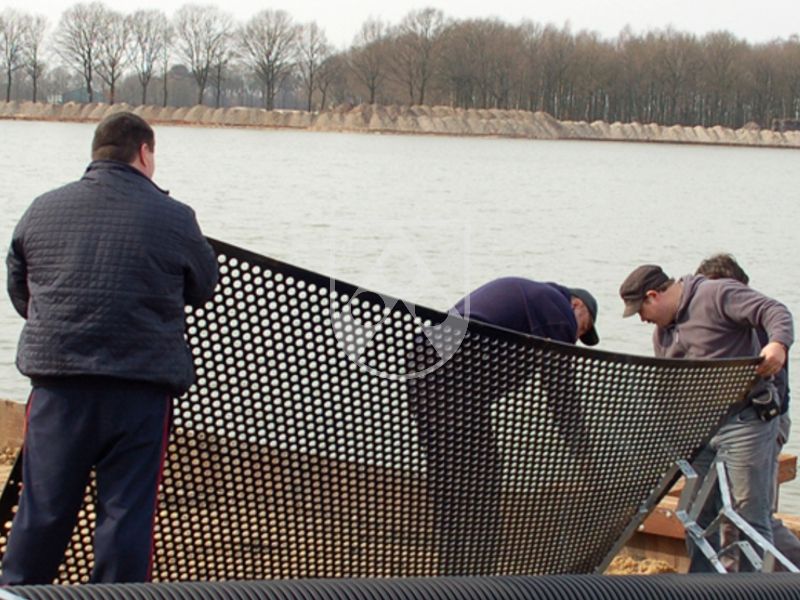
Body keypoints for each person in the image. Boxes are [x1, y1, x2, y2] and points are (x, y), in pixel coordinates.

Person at [1, 112, 219, 584]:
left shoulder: (43, 208)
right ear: (144, 152)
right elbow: (203, 286)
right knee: (126, 516)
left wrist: (60, 324)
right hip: (140, 391)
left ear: (96, 153)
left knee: (42, 510)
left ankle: (16, 592)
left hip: (58, 387)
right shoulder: (175, 217)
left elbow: (20, 288)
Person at [410, 277, 599, 574]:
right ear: (577, 305)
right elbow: (562, 395)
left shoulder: (532, 299)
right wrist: (588, 457)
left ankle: (455, 569)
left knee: (451, 476)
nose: (575, 336)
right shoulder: (557, 307)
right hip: (452, 376)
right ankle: (474, 571)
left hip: (428, 369)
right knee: (483, 475)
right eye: (583, 327)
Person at [619, 263, 793, 572]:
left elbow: (774, 310)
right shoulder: (663, 335)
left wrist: (777, 344)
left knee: (746, 516)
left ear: (653, 295)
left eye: (640, 311)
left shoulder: (715, 293)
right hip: (699, 430)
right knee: (699, 518)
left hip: (744, 421)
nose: (642, 320)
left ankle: (754, 590)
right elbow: (666, 395)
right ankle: (703, 587)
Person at [696, 253, 800, 568]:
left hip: (762, 423)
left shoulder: (755, 324)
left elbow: (773, 396)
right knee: (715, 512)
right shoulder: (702, 323)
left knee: (750, 516)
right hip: (724, 427)